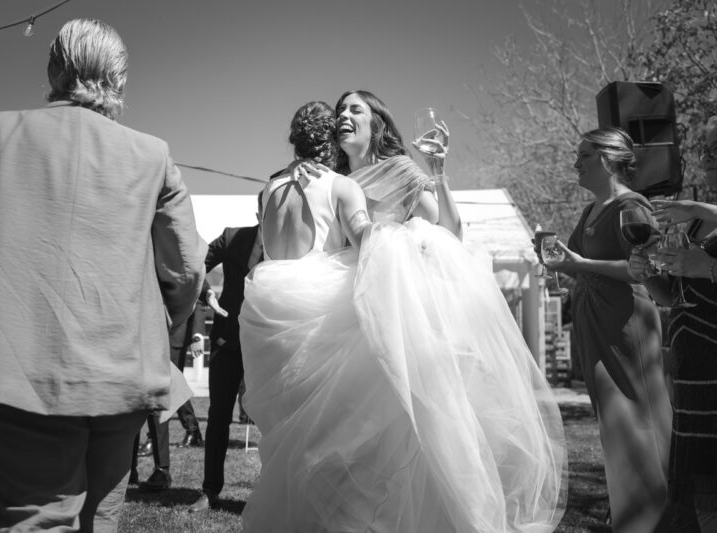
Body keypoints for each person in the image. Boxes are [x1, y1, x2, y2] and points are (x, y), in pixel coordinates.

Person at [0, 19, 205, 532]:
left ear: (54, 70)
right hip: (122, 375)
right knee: (102, 521)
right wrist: (157, 322)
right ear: (120, 80)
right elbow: (184, 269)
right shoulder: (153, 154)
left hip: (23, 368)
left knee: (36, 522)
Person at [238, 97, 566, 532]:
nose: (344, 116)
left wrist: (438, 172)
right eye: (340, 111)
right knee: (336, 449)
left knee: (389, 443)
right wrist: (297, 170)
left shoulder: (399, 169)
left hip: (391, 319)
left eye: (355, 110)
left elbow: (448, 233)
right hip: (337, 325)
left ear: (376, 123)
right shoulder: (331, 177)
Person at [547, 128, 673, 532]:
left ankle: (654, 518)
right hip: (594, 324)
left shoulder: (631, 206)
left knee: (637, 420)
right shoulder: (590, 211)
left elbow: (647, 268)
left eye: (583, 155)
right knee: (612, 426)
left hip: (626, 326)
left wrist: (581, 265)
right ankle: (630, 515)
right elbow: (578, 263)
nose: (576, 163)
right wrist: (562, 267)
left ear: (606, 159)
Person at [629, 116, 717, 532]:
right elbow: (676, 297)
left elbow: (703, 272)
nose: (708, 159)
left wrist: (709, 268)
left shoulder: (700, 214)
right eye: (706, 150)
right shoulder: (696, 223)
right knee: (702, 502)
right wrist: (647, 275)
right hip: (693, 376)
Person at [186, 225, 265, 513]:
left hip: (266, 344)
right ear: (259, 212)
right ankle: (210, 490)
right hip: (226, 340)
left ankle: (269, 494)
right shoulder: (233, 238)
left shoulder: (291, 245)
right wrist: (206, 293)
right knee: (218, 415)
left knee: (272, 421)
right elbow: (194, 262)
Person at [130, 304, 207, 491]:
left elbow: (197, 294)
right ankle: (129, 469)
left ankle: (162, 470)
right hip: (137, 334)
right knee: (133, 400)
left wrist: (197, 334)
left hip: (170, 334)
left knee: (160, 399)